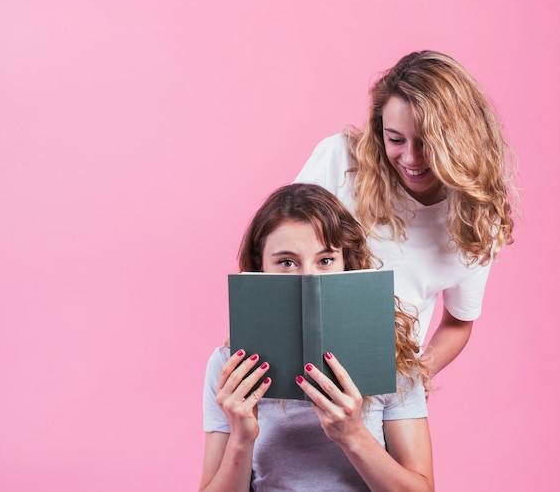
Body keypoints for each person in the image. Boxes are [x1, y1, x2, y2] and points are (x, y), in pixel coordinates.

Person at [295, 50, 516, 378]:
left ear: (460, 140)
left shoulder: (477, 219)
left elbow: (457, 322)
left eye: (427, 143)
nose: (411, 158)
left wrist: (411, 382)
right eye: (395, 139)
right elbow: (274, 259)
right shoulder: (339, 161)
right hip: (300, 366)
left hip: (381, 389)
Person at [199, 183, 433, 492]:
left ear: (346, 263)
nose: (307, 277)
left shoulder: (390, 356)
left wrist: (353, 435)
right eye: (286, 262)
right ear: (260, 268)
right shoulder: (230, 367)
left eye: (325, 260)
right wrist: (241, 439)